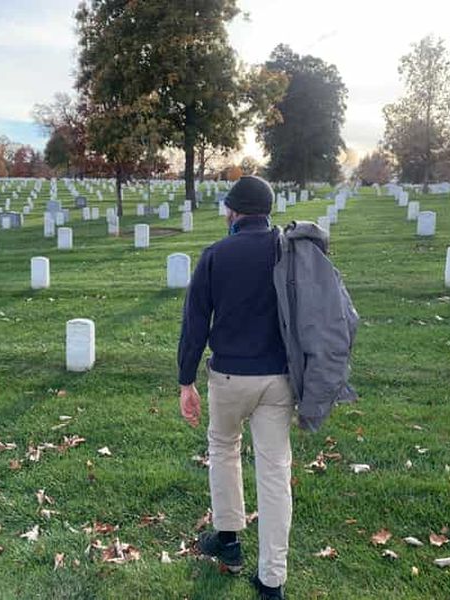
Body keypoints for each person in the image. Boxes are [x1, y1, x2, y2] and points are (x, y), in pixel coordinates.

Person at [177, 175, 291, 600]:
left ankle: (229, 539)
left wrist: (185, 380)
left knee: (224, 449)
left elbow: (194, 325)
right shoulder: (288, 251)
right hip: (278, 378)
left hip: (228, 377)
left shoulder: (215, 254)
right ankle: (272, 579)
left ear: (234, 212)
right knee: (275, 471)